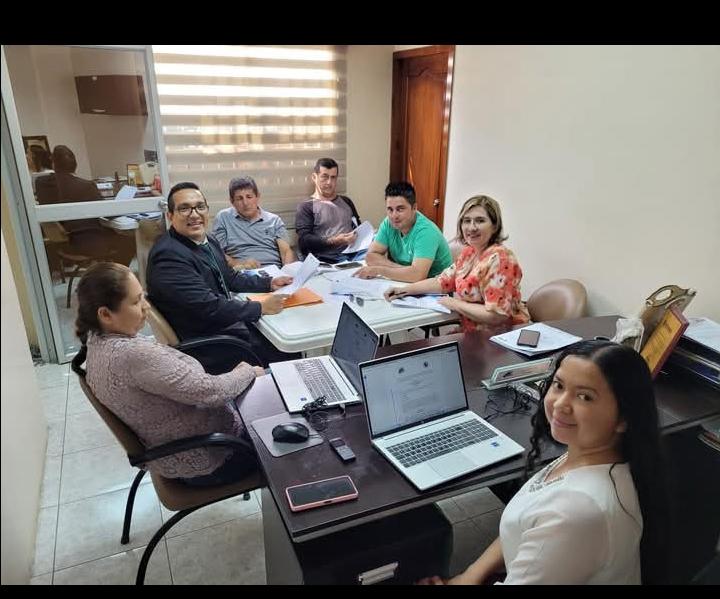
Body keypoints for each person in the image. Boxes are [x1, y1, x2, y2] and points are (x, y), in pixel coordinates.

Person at [419, 340, 668, 584]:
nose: (560, 404)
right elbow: (524, 525)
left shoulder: (577, 514)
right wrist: (469, 576)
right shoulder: (591, 456)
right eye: (559, 385)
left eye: (585, 397)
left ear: (624, 418)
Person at [70, 262, 263, 486]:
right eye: (136, 301)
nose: (146, 307)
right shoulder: (132, 355)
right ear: (105, 314)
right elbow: (210, 392)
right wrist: (248, 371)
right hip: (214, 456)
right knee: (290, 432)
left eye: (143, 297)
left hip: (182, 446)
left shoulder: (96, 342)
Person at [146, 181, 297, 366]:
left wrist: (268, 283)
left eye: (200, 207)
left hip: (222, 327)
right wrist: (260, 307)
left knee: (283, 332)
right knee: (287, 349)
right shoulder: (169, 257)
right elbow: (208, 307)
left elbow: (229, 277)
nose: (195, 214)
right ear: (170, 216)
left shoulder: (206, 240)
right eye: (184, 209)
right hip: (210, 343)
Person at [384, 195, 529, 332]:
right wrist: (404, 290)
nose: (472, 227)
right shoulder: (469, 253)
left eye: (480, 221)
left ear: (494, 226)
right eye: (467, 221)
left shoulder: (501, 259)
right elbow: (442, 282)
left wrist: (456, 304)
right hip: (472, 331)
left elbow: (496, 316)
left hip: (500, 337)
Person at [355, 181, 452, 282]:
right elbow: (370, 257)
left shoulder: (426, 231)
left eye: (400, 209)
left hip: (436, 286)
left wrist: (379, 270)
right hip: (406, 283)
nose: (394, 216)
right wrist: (405, 270)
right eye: (390, 209)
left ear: (414, 208)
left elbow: (417, 276)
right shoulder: (388, 223)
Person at [212, 176, 296, 270]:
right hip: (242, 272)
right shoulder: (223, 218)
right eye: (239, 199)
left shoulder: (274, 220)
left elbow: (286, 252)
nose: (245, 203)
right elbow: (217, 253)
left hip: (275, 271)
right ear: (232, 201)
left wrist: (287, 272)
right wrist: (241, 264)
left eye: (249, 197)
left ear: (257, 197)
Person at [295, 157, 362, 264]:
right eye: (324, 177)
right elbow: (304, 241)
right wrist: (334, 241)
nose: (329, 182)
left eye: (333, 177)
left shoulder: (346, 201)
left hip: (354, 254)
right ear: (314, 177)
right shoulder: (306, 206)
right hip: (326, 259)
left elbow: (358, 227)